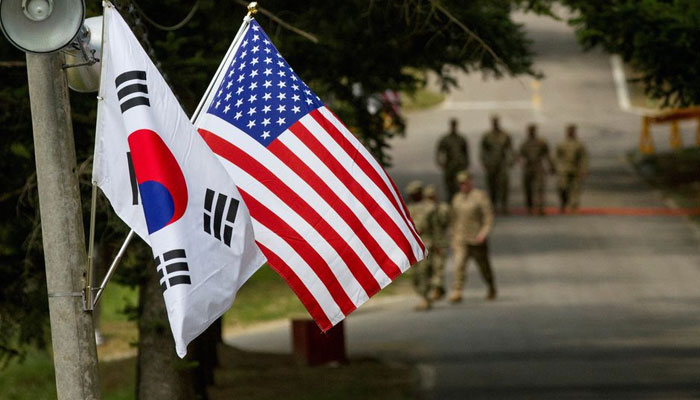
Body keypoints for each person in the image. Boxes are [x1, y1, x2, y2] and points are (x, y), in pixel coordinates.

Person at [449, 171, 497, 302]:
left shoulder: (479, 197)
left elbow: (488, 217)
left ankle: (491, 285)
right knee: (458, 265)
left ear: (470, 182)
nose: (463, 186)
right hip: (461, 238)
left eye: (465, 182)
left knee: (484, 267)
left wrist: (484, 232)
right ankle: (457, 291)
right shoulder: (457, 198)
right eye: (460, 183)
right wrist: (453, 237)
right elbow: (453, 220)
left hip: (476, 239)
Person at [405, 180, 435, 310]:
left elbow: (425, 226)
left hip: (426, 244)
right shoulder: (409, 208)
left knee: (423, 272)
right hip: (413, 246)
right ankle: (424, 294)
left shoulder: (429, 207)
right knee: (415, 275)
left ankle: (425, 298)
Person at [480, 115, 515, 214]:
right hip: (491, 164)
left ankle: (504, 205)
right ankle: (493, 205)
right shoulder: (487, 136)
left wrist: (511, 161)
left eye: (496, 122)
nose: (495, 124)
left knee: (503, 185)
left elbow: (510, 148)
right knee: (491, 185)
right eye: (493, 122)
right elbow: (483, 150)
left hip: (502, 164)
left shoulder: (504, 135)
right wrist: (484, 162)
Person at [519, 124, 554, 215]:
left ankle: (540, 208)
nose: (531, 132)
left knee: (540, 188)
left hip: (538, 167)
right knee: (528, 189)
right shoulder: (525, 143)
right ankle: (529, 207)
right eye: (530, 131)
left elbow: (547, 154)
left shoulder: (541, 142)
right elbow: (520, 155)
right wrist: (521, 163)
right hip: (528, 167)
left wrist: (551, 166)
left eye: (532, 130)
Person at [423, 184, 450, 301]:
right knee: (429, 268)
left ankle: (436, 290)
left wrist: (438, 211)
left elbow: (446, 222)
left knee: (439, 267)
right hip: (428, 243)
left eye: (432, 197)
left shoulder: (442, 208)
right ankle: (439, 289)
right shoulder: (423, 209)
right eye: (428, 197)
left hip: (440, 242)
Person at [555, 124, 588, 213]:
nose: (571, 133)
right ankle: (563, 203)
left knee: (575, 189)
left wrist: (584, 169)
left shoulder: (579, 144)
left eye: (573, 131)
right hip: (564, 169)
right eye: (570, 131)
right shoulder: (562, 143)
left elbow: (584, 157)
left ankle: (574, 206)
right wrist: (555, 167)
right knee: (563, 187)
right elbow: (556, 156)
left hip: (575, 169)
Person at [436, 118, 470, 201]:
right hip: (449, 166)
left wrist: (466, 164)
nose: (454, 127)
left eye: (455, 125)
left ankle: (459, 204)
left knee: (460, 186)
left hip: (459, 167)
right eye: (452, 125)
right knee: (449, 187)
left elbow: (466, 153)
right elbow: (439, 151)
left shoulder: (461, 139)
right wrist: (440, 162)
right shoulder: (446, 139)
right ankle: (450, 203)